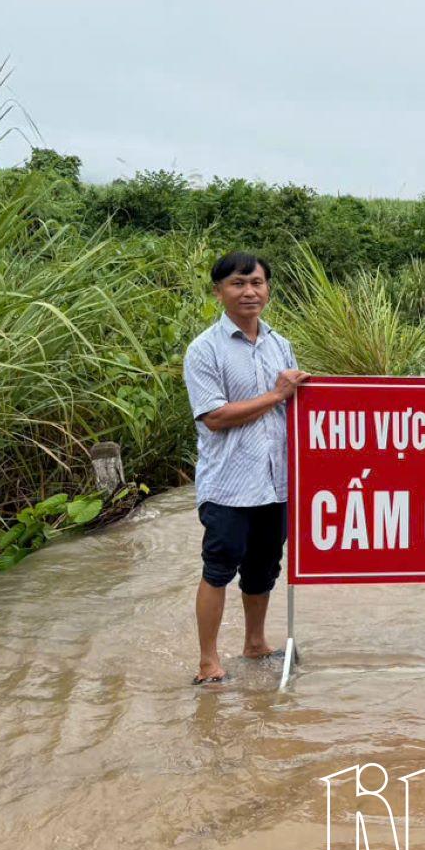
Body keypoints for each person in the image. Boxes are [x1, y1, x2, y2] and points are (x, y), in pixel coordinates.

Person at [183, 252, 309, 684]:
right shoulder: (204, 349)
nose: (249, 292)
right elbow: (214, 416)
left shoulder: (280, 344)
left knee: (264, 568)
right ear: (219, 291)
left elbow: (298, 410)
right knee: (218, 568)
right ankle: (207, 662)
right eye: (238, 284)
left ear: (268, 289)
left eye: (256, 282)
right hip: (228, 486)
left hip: (276, 484)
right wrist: (276, 395)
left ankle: (255, 644)